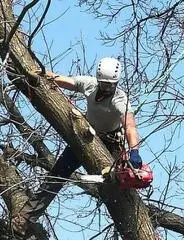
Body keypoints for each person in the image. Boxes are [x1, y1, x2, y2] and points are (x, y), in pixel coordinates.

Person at [11, 57, 142, 235]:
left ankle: (133, 227)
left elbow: (130, 126)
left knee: (117, 185)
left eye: (111, 85)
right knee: (57, 175)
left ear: (116, 83)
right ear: (98, 80)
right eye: (104, 84)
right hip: (85, 135)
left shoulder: (120, 100)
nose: (107, 88)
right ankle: (25, 218)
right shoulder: (89, 85)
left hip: (111, 143)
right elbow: (65, 80)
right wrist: (40, 73)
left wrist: (134, 151)